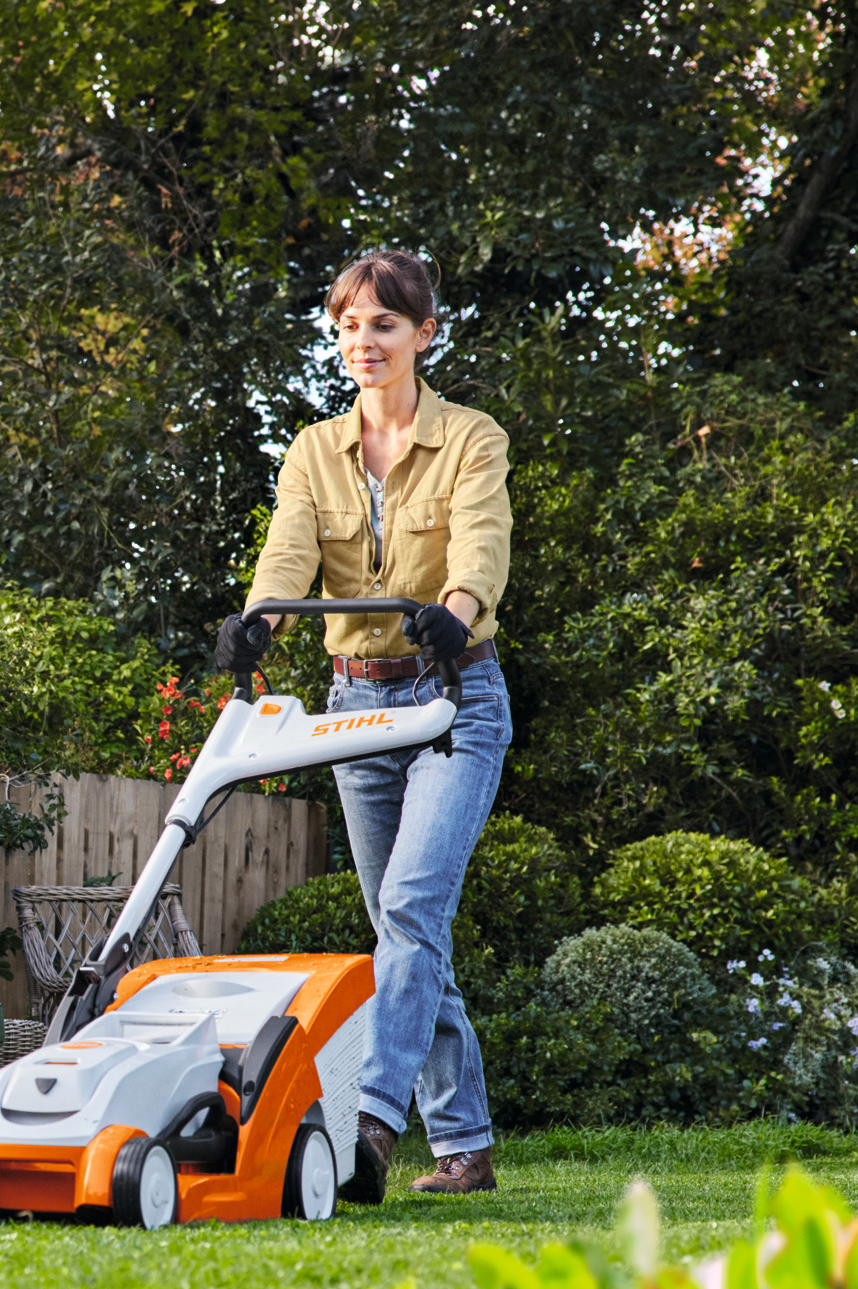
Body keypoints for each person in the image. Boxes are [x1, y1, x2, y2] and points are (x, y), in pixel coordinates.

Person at [215, 249, 513, 1198]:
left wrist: (455, 611)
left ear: (424, 333)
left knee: (411, 911)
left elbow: (482, 545)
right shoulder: (314, 450)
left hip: (453, 698)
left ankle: (371, 1124)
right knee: (404, 928)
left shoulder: (471, 438)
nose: (363, 341)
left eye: (383, 323)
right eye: (349, 326)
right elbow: (288, 553)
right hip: (354, 710)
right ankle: (465, 1145)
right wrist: (258, 623)